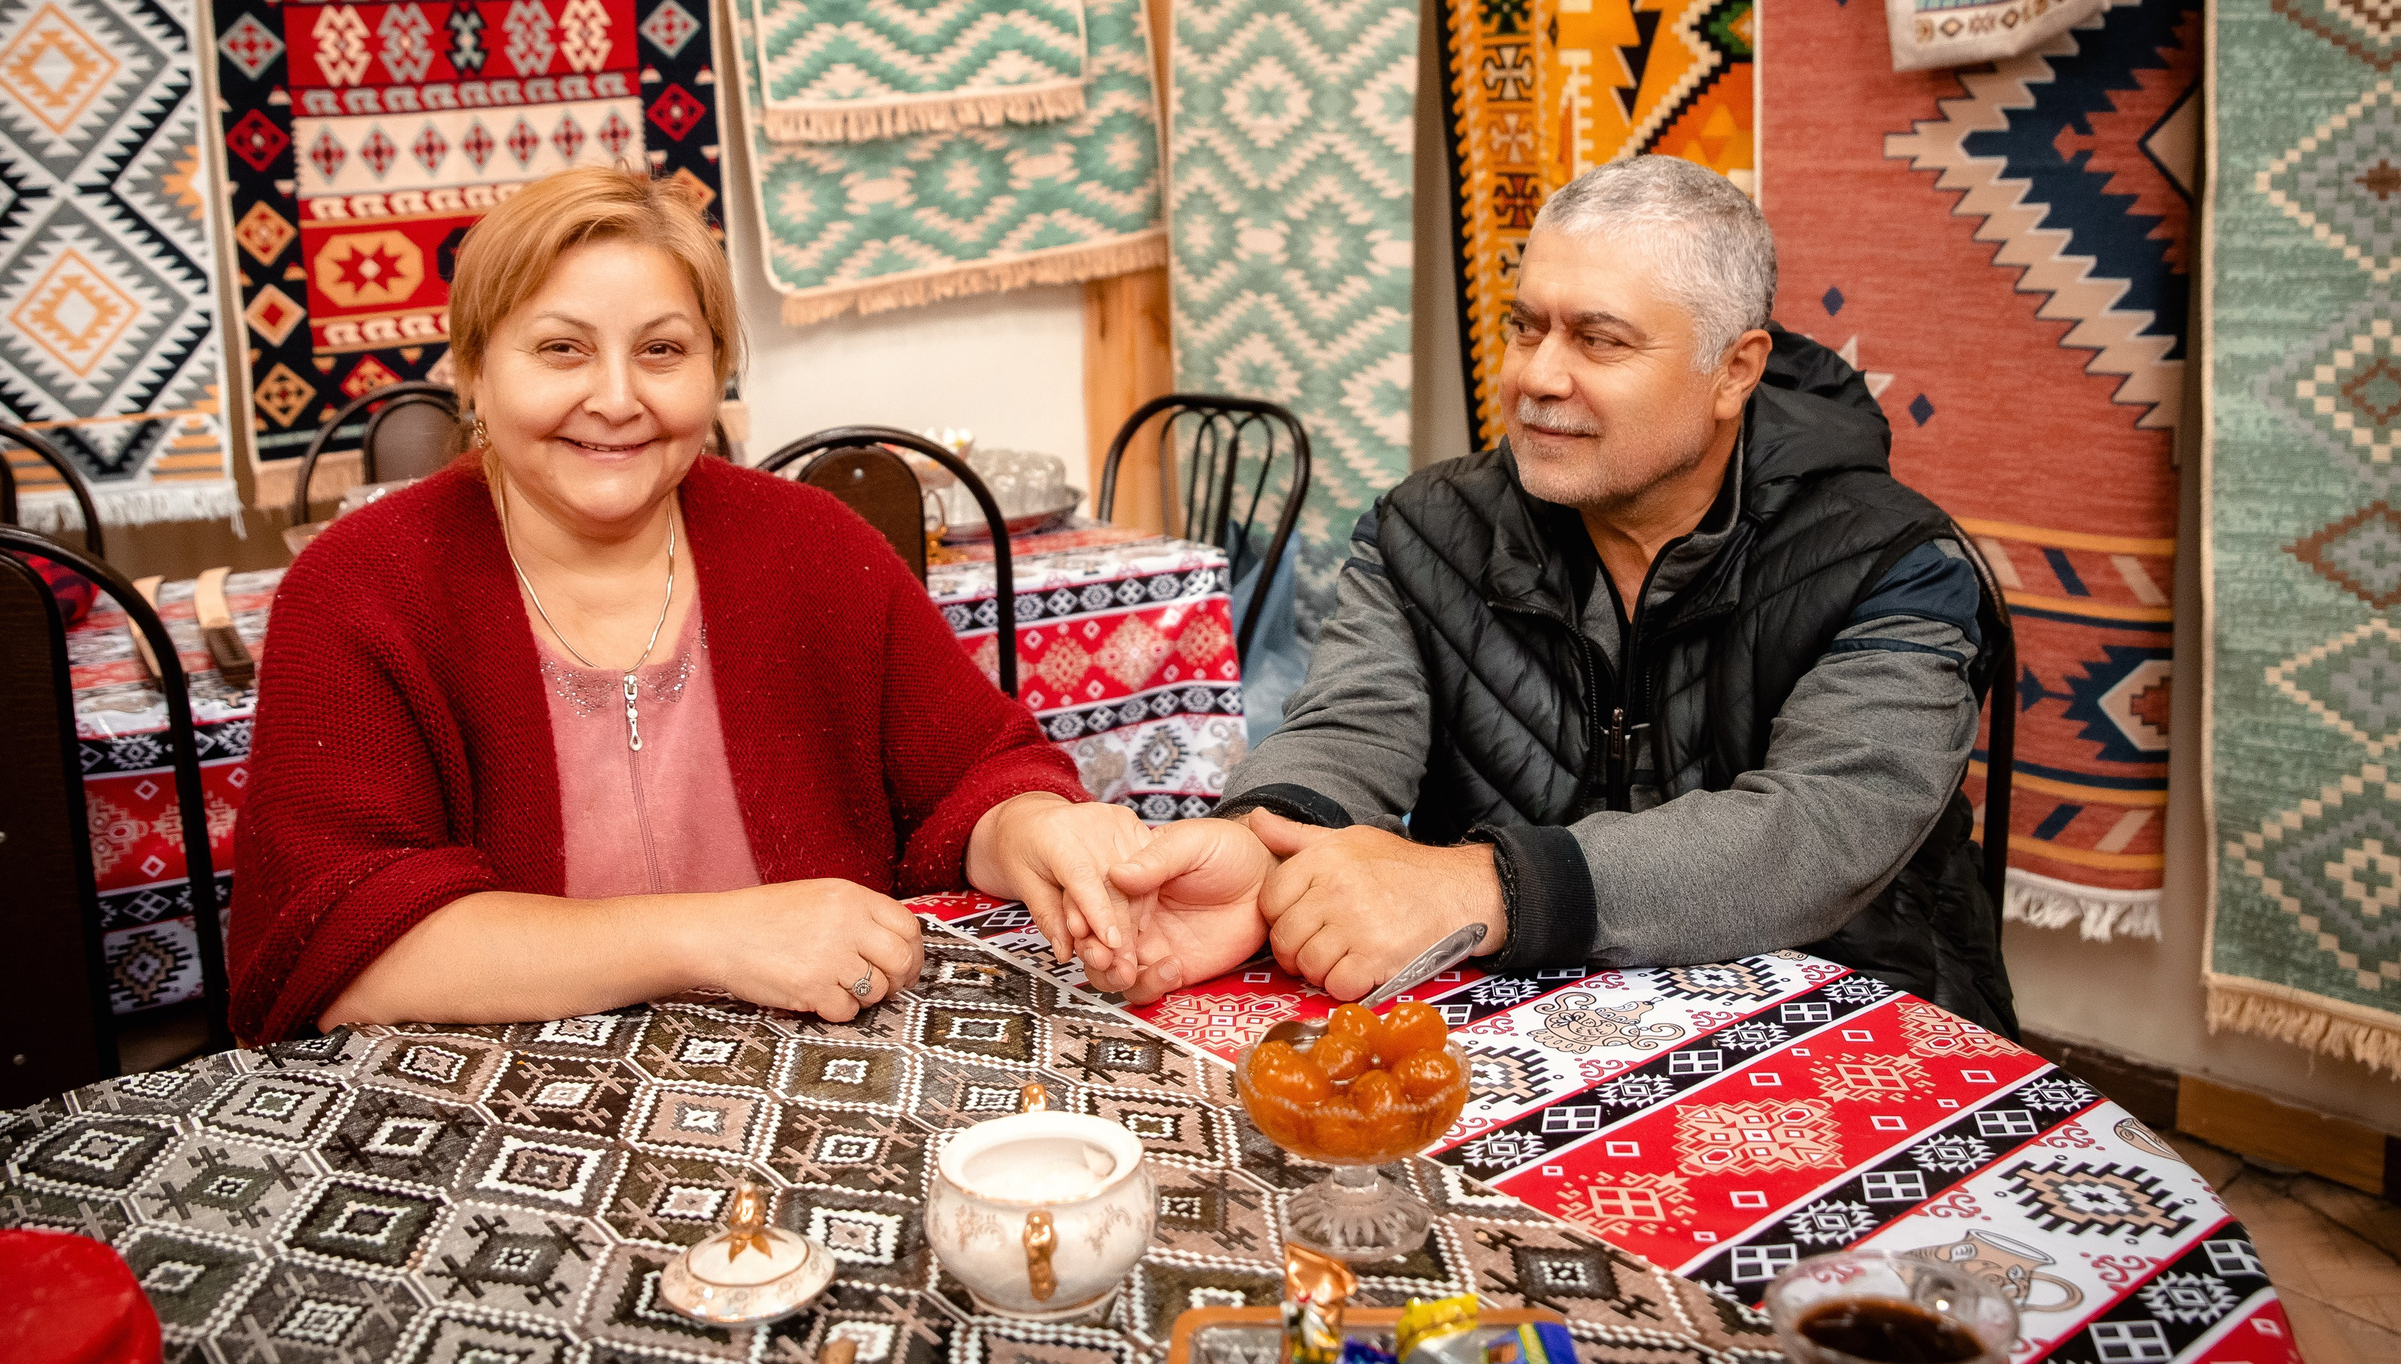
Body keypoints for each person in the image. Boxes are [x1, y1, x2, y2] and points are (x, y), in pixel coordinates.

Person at [1077, 156, 2015, 1034]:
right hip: (1522, 1028)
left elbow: (1815, 834)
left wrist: (1488, 887)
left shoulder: (1892, 560)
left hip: (1853, 1029)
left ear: (1734, 369)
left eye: (1599, 340)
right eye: (1526, 327)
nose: (1536, 375)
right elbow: (1349, 727)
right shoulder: (1427, 531)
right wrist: (1268, 842)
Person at [227, 167, 1155, 1041]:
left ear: (716, 372)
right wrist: (709, 938)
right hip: (495, 1121)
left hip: (819, 1093)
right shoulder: (362, 587)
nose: (618, 398)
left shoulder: (813, 545)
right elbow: (340, 946)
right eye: (561, 349)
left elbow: (973, 774)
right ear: (474, 370)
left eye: (663, 350)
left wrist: (1032, 825)